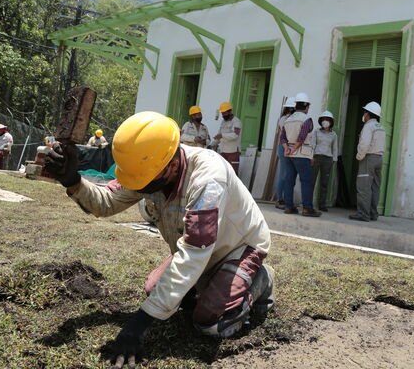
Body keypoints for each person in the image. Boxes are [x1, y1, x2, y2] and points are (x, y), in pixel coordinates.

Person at [44, 111, 274, 366]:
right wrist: (72, 181)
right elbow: (106, 203)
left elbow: (194, 253)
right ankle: (211, 284)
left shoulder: (208, 177)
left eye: (144, 181)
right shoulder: (149, 165)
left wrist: (139, 324)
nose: (139, 187)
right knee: (154, 291)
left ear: (173, 164)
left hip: (238, 247)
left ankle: (262, 279)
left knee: (210, 322)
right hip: (197, 249)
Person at [281, 92, 322, 217]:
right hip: (302, 154)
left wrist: (287, 148)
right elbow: (302, 136)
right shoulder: (306, 119)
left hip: (289, 154)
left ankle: (289, 206)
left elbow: (282, 138)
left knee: (289, 180)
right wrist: (295, 149)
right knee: (306, 181)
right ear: (306, 107)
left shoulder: (288, 120)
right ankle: (307, 208)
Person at [349, 102, 385, 222]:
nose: (363, 114)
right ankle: (373, 213)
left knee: (363, 187)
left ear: (368, 114)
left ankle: (363, 214)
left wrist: (359, 156)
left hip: (368, 158)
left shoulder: (368, 126)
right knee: (375, 187)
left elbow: (364, 144)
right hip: (379, 158)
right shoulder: (381, 127)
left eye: (365, 112)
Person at [310, 110, 338, 212]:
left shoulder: (333, 134)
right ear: (321, 121)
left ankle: (322, 204)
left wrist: (334, 160)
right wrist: (311, 157)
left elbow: (335, 148)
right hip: (316, 158)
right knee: (311, 181)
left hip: (328, 159)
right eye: (323, 120)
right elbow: (312, 145)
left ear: (331, 122)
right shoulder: (316, 131)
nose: (325, 121)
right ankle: (308, 203)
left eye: (327, 120)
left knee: (324, 183)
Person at [274, 97, 296, 209]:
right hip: (284, 147)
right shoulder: (284, 119)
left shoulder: (292, 117)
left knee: (289, 174)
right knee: (283, 174)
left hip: (292, 147)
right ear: (290, 107)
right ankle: (279, 199)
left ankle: (287, 198)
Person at [213, 102, 242, 174]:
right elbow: (219, 135)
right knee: (222, 173)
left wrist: (222, 135)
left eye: (224, 113)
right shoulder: (223, 122)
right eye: (222, 113)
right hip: (223, 151)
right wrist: (212, 144)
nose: (223, 115)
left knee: (232, 173)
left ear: (230, 111)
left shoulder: (236, 121)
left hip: (233, 152)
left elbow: (235, 135)